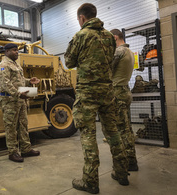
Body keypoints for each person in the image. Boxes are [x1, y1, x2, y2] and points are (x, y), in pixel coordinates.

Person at [64, 3, 129, 194]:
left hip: (87, 93)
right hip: (107, 92)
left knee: (88, 135)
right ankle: (122, 172)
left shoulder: (81, 36)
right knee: (113, 131)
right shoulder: (110, 37)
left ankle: (91, 181)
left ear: (82, 18)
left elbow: (68, 62)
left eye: (78, 20)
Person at [0, 43, 40, 163]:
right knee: (11, 127)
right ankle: (13, 152)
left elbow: (18, 81)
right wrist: (17, 94)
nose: (17, 52)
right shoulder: (3, 65)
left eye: (17, 50)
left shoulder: (15, 64)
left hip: (20, 100)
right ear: (6, 51)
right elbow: (5, 84)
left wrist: (29, 81)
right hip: (10, 101)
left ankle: (26, 149)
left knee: (23, 125)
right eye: (14, 50)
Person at [109, 29, 138, 171]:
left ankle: (123, 165)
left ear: (115, 37)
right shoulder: (130, 52)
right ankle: (132, 160)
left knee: (120, 130)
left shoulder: (118, 52)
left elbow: (107, 70)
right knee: (127, 129)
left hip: (118, 93)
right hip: (126, 91)